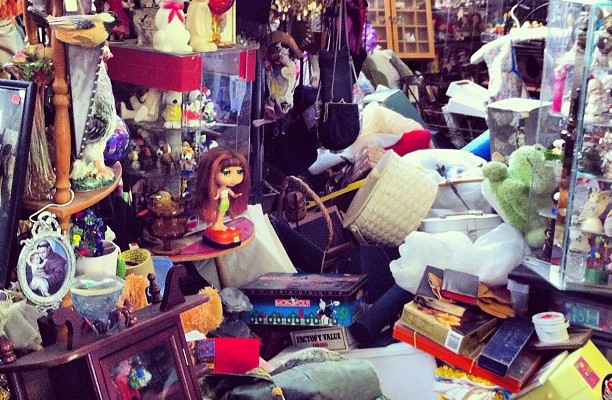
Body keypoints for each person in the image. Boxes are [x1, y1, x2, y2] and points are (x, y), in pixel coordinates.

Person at [192, 147, 250, 232]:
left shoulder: (227, 189)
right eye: (226, 172)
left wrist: (236, 195)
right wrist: (214, 197)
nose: (234, 178)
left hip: (226, 203)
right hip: (220, 204)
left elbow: (232, 194)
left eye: (239, 172)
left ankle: (220, 223)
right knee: (218, 213)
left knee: (222, 213)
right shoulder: (218, 190)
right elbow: (216, 196)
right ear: (210, 173)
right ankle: (217, 223)